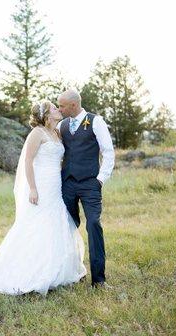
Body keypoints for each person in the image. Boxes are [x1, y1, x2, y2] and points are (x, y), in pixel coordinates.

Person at [0, 101, 87, 295]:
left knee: (55, 221)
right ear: (47, 115)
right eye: (55, 108)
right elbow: (28, 161)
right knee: (35, 223)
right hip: (40, 184)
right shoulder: (37, 133)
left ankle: (55, 267)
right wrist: (32, 188)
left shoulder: (56, 133)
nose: (59, 109)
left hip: (55, 186)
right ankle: (28, 269)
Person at [56, 89, 115, 288]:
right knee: (68, 227)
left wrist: (100, 179)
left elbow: (108, 151)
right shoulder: (62, 125)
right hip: (68, 184)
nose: (59, 109)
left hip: (91, 183)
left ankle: (98, 280)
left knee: (93, 225)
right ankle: (71, 274)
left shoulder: (95, 121)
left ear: (73, 105)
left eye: (62, 105)